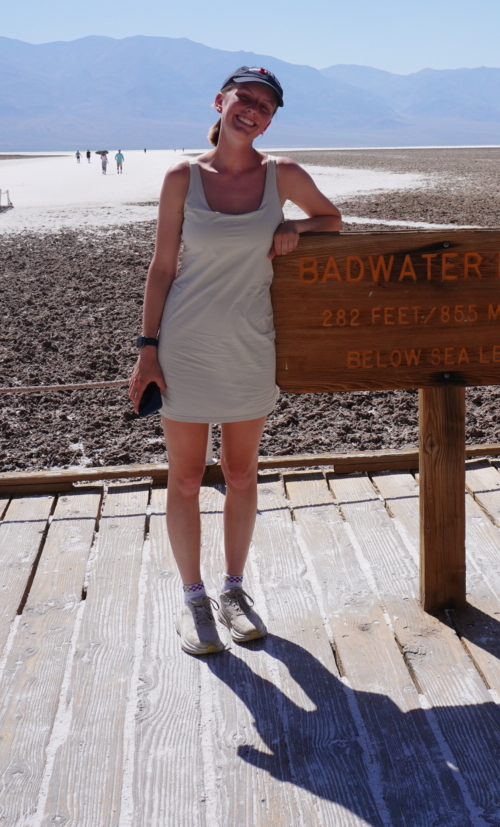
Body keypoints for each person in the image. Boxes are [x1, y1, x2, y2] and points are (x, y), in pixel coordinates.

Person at [129, 65, 343, 655]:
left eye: (265, 107)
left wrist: (296, 228)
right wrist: (147, 351)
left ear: (272, 120)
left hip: (251, 346)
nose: (251, 111)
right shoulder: (182, 178)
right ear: (220, 102)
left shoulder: (283, 175)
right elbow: (162, 269)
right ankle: (193, 596)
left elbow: (333, 220)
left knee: (244, 474)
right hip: (185, 347)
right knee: (186, 477)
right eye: (243, 99)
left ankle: (233, 590)